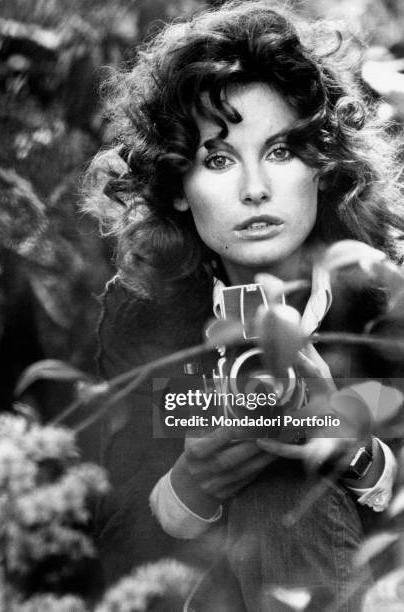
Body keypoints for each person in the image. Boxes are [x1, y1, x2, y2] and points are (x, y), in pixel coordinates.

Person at [83, 2, 404, 610]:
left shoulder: (386, 297)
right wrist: (190, 485)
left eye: (281, 150)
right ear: (178, 185)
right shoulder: (143, 314)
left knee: (286, 481)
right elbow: (117, 542)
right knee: (268, 479)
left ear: (325, 163)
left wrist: (353, 447)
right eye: (220, 159)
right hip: (213, 584)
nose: (255, 188)